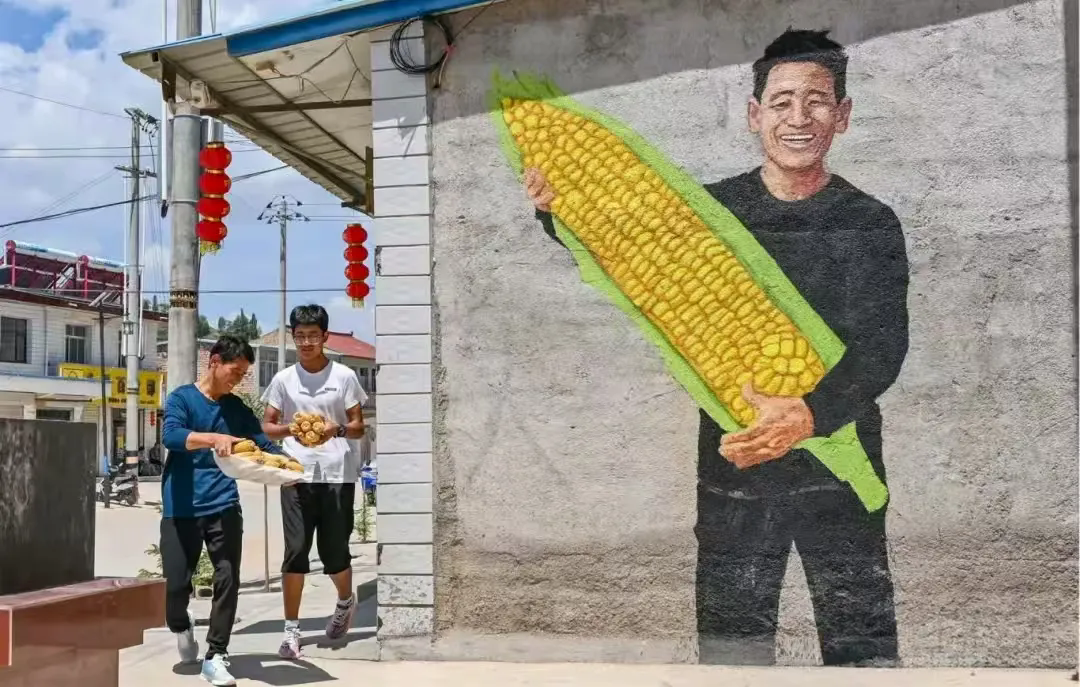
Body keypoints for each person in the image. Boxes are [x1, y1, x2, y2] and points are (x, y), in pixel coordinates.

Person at [525, 29, 909, 666]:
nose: (798, 117)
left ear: (842, 116)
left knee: (860, 642)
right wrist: (556, 212)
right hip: (737, 468)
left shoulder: (870, 222)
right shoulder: (709, 209)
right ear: (755, 114)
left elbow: (882, 347)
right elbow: (633, 259)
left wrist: (808, 414)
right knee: (733, 646)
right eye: (781, 102)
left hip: (841, 464)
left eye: (817, 101)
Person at [161, 335, 281, 686]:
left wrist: (290, 468)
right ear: (214, 362)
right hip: (181, 507)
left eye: (244, 374)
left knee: (227, 579)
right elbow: (171, 437)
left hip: (224, 504)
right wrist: (213, 438)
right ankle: (181, 626)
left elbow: (263, 443)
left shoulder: (236, 408)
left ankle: (216, 655)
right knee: (175, 585)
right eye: (235, 371)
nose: (238, 379)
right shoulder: (182, 398)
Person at [260, 304, 368, 659]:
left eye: (312, 336)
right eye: (300, 336)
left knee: (334, 552)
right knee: (295, 551)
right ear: (293, 337)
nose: (306, 342)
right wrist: (293, 430)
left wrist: (336, 429)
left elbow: (358, 427)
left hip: (338, 474)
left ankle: (345, 601)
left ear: (325, 337)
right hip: (295, 474)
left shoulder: (344, 376)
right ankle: (291, 631)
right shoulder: (283, 379)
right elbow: (268, 426)